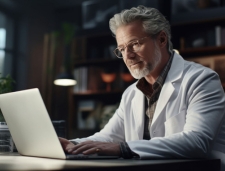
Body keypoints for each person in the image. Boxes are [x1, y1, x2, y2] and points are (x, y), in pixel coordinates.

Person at [59, 5, 225, 165]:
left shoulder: (202, 80)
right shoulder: (131, 93)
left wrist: (123, 148)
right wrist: (71, 143)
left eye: (135, 44)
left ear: (161, 39)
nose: (128, 56)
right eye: (122, 49)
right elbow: (108, 137)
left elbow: (197, 142)